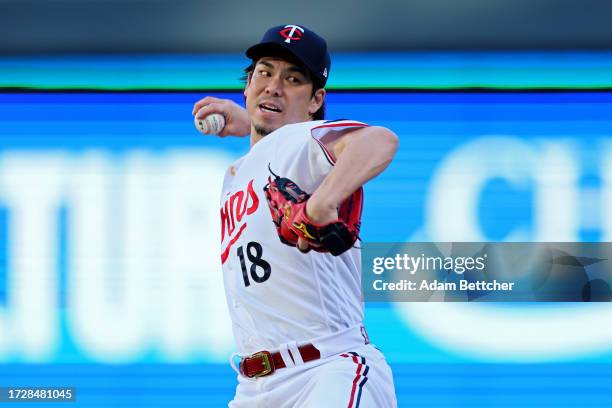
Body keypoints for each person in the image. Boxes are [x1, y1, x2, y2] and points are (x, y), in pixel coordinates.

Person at [192, 24, 398, 408]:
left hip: (327, 372)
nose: (273, 86)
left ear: (316, 100)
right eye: (265, 72)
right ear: (247, 84)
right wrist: (250, 123)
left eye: (293, 78)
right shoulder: (243, 167)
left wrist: (323, 203)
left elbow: (380, 140)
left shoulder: (303, 139)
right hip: (254, 389)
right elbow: (270, 153)